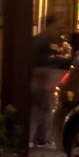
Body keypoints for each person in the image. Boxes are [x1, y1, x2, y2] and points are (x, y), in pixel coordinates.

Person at [29, 16, 72, 147]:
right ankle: (40, 137)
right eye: (57, 27)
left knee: (38, 109)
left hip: (37, 76)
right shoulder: (46, 39)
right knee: (45, 108)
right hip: (42, 76)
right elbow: (45, 60)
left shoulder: (39, 38)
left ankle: (36, 137)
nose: (58, 30)